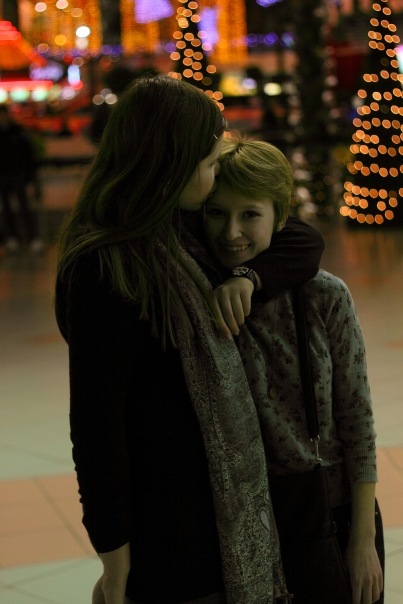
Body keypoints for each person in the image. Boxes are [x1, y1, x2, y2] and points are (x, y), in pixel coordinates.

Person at [54, 75, 325, 604]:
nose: (214, 174)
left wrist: (247, 277)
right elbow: (96, 427)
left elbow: (299, 236)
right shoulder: (105, 266)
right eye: (209, 164)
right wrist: (115, 560)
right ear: (173, 165)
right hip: (166, 527)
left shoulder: (178, 232)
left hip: (213, 511)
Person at [201, 136, 384, 604]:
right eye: (217, 213)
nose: (231, 232)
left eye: (250, 214)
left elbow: (357, 419)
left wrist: (363, 541)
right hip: (240, 520)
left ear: (279, 217)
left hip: (329, 507)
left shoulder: (324, 295)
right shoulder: (198, 296)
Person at [0, 105, 44, 253]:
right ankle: (13, 237)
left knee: (24, 207)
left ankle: (33, 237)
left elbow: (28, 155)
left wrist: (30, 176)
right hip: (4, 176)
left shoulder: (18, 133)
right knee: (7, 208)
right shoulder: (15, 133)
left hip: (18, 175)